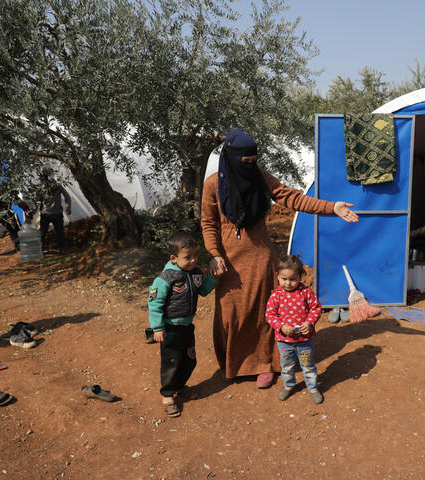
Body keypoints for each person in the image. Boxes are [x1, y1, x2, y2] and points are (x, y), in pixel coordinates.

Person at [201, 128, 359, 389]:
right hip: (228, 259)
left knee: (265, 312)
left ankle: (265, 364)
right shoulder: (213, 184)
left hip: (261, 255)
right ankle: (235, 364)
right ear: (230, 158)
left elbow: (291, 197)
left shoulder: (260, 177)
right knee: (232, 314)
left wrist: (331, 207)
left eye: (254, 161)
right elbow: (208, 223)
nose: (251, 166)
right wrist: (214, 254)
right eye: (245, 162)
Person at [148, 231, 219, 417]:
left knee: (189, 360)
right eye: (188, 257)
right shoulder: (165, 278)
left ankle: (180, 387)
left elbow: (203, 290)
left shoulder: (194, 273)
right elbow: (155, 304)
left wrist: (213, 277)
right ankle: (168, 394)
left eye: (196, 255)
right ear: (173, 258)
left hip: (187, 327)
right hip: (170, 329)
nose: (194, 260)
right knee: (171, 361)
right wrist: (157, 328)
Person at [265, 254, 324, 404]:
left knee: (308, 365)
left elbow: (316, 308)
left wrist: (310, 322)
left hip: (304, 340)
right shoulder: (275, 296)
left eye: (293, 279)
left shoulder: (306, 293)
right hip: (284, 341)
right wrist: (282, 326)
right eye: (284, 279)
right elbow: (270, 315)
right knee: (287, 366)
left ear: (300, 277)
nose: (288, 283)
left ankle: (313, 387)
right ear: (277, 276)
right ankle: (288, 385)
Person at [0, 185, 30, 254]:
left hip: (6, 213)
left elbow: (22, 204)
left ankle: (19, 248)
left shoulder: (9, 194)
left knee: (14, 228)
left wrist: (28, 216)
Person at [36, 167, 72, 251]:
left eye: (49, 174)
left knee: (59, 233)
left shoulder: (57, 186)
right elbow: (38, 199)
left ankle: (61, 248)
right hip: (46, 214)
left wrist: (68, 207)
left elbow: (67, 197)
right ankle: (40, 249)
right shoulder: (42, 187)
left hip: (55, 214)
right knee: (43, 233)